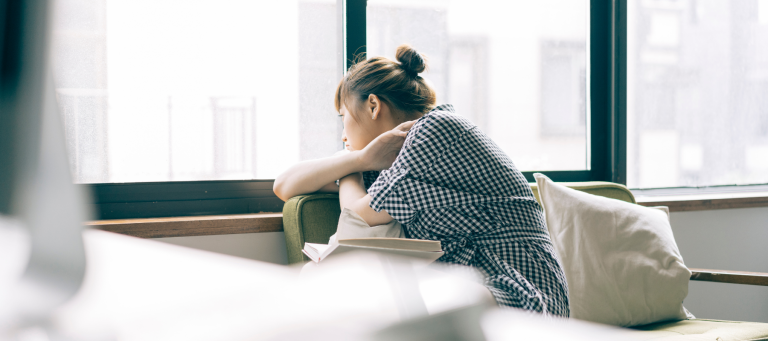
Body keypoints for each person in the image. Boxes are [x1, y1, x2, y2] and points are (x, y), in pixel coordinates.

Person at [274, 45, 569, 316]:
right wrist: (359, 161)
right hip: (467, 283)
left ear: (373, 106)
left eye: (343, 118)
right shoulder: (388, 165)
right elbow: (285, 185)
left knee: (436, 302)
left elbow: (359, 221)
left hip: (521, 287)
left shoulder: (436, 129)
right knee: (317, 277)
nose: (343, 136)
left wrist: (351, 166)